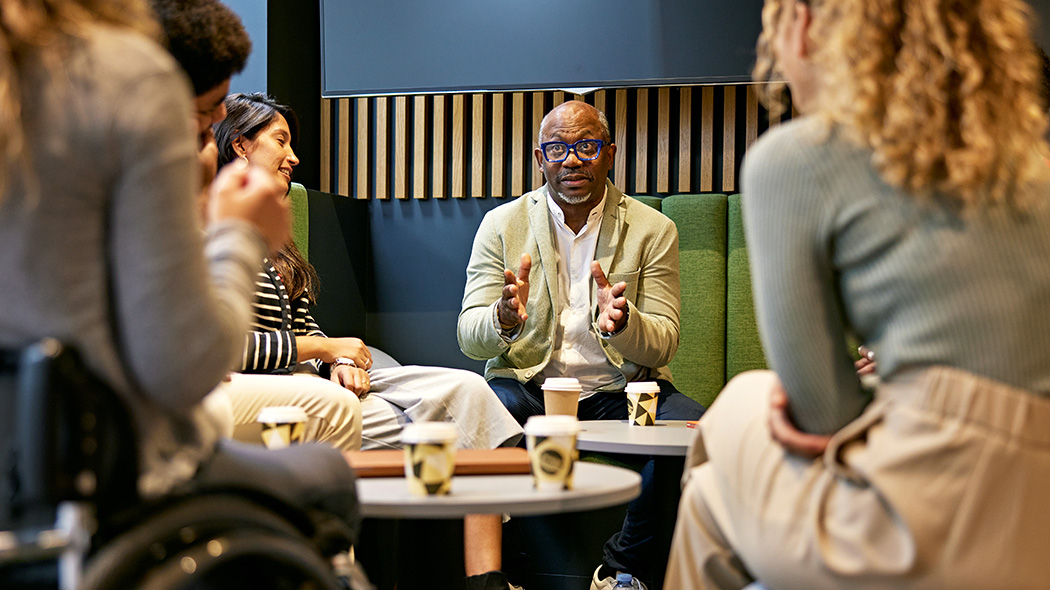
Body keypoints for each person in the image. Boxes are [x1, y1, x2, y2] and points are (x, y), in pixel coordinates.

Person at [665, 0, 1050, 588]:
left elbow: (822, 413)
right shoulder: (1035, 168)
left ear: (808, 24)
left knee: (743, 402)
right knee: (710, 496)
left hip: (920, 526)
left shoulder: (798, 162)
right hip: (1034, 529)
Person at [0, 0, 361, 559]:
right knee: (327, 472)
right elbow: (186, 367)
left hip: (17, 475)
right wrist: (239, 236)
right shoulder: (126, 78)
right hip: (110, 471)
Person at [213, 92, 525, 590]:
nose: (294, 157)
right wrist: (322, 351)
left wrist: (334, 363)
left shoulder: (274, 228)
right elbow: (221, 347)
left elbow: (302, 323)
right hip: (272, 407)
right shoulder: (212, 229)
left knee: (468, 390)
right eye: (281, 141)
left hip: (315, 387)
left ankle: (486, 581)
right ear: (241, 146)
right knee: (451, 420)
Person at [458, 99, 706, 590]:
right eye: (558, 148)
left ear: (609, 154)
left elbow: (664, 343)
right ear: (540, 158)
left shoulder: (654, 229)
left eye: (586, 147)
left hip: (623, 390)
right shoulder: (501, 225)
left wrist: (624, 324)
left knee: (697, 437)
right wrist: (503, 319)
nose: (572, 160)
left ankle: (621, 572)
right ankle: (509, 577)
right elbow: (469, 336)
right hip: (529, 385)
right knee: (484, 417)